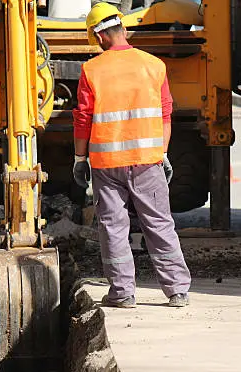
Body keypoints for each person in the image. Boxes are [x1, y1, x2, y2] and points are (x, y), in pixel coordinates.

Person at [72, 2, 191, 308]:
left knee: (113, 227)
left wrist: (79, 158)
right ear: (123, 29)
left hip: (107, 165)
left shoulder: (91, 70)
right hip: (147, 162)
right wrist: (163, 153)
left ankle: (123, 293)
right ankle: (177, 290)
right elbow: (166, 113)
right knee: (159, 223)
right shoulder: (154, 65)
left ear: (98, 38)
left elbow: (83, 118)